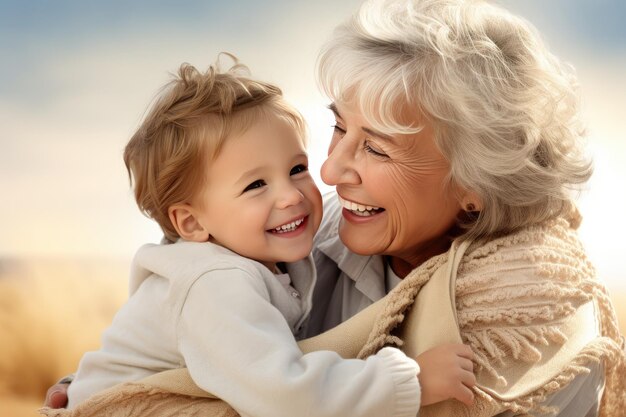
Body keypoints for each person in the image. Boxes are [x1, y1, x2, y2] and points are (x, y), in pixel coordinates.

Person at [45, 0, 626, 416]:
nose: (325, 173)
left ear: (475, 184)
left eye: (375, 146)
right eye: (339, 129)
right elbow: (224, 349)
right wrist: (113, 389)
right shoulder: (307, 236)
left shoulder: (529, 312)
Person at [51, 57, 476, 417]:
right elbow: (284, 394)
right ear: (193, 224)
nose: (292, 195)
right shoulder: (215, 283)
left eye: (296, 169)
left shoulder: (257, 259)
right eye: (256, 186)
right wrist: (410, 382)